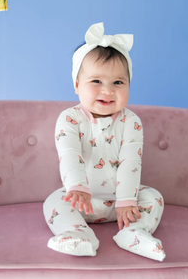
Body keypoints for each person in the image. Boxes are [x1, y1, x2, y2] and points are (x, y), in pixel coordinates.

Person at [43, 22, 166, 261]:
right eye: (96, 81)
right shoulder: (69, 118)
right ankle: (78, 234)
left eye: (118, 83)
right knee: (54, 201)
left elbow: (132, 161)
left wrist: (127, 200)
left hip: (123, 204)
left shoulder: (131, 121)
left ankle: (134, 233)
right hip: (82, 200)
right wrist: (77, 187)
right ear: (77, 85)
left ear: (129, 85)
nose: (107, 91)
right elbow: (69, 153)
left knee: (154, 197)